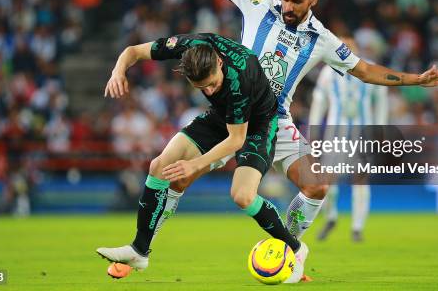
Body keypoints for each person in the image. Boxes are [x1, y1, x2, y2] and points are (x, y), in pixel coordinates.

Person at [155, 0, 438, 258]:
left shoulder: (322, 39)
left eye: (296, 1)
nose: (287, 5)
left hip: (273, 120)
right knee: (179, 174)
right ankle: (144, 247)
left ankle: (286, 248)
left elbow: (364, 70)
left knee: (317, 185)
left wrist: (416, 79)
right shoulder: (259, 5)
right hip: (230, 111)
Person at [96, 33, 308, 283]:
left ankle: (295, 248)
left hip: (258, 125)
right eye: (201, 87)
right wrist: (118, 71)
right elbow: (132, 51)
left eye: (212, 84)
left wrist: (195, 164)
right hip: (220, 116)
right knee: (159, 166)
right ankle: (139, 250)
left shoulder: (239, 77)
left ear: (219, 62)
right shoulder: (189, 48)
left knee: (242, 196)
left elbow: (236, 140)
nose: (208, 90)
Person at [310, 37, 389, 242]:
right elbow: (319, 102)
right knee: (327, 180)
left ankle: (357, 228)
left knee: (360, 180)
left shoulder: (368, 69)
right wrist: (314, 131)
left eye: (349, 47)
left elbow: (381, 99)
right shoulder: (329, 71)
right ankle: (331, 217)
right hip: (335, 134)